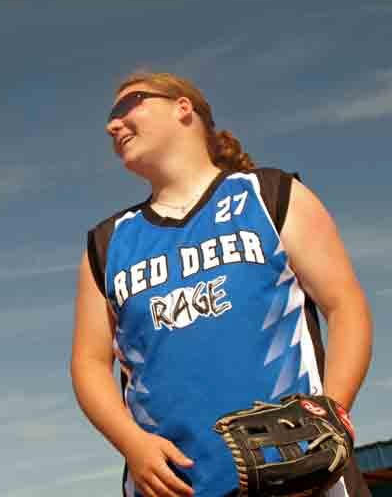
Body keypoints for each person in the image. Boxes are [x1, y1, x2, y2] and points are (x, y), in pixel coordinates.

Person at [70, 71, 373, 497]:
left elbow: (346, 305)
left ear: (183, 108)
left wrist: (331, 417)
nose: (111, 125)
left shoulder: (270, 195)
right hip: (178, 487)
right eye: (110, 118)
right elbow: (88, 362)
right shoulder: (108, 242)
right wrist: (131, 443)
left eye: (127, 105)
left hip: (302, 477)